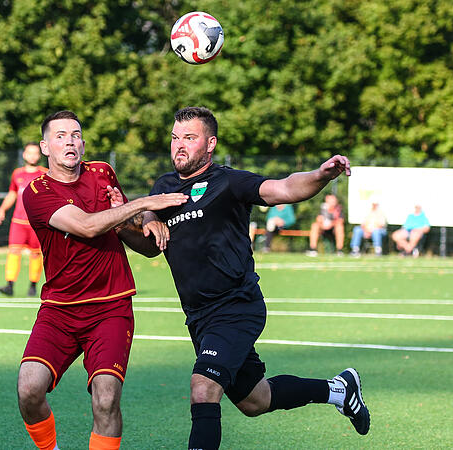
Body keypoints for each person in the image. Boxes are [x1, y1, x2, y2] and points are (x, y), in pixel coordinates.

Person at [144, 107, 370, 449]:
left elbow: (284, 189)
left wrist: (322, 174)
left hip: (236, 306)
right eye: (175, 137)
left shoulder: (229, 181)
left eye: (190, 138)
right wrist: (144, 214)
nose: (179, 145)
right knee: (255, 401)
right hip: (199, 316)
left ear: (210, 144)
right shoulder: (164, 186)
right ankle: (339, 390)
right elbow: (148, 244)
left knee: (203, 387)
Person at [18, 110, 187, 450]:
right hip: (59, 310)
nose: (70, 140)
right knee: (29, 390)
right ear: (46, 147)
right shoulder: (36, 191)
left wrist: (144, 224)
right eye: (61, 135)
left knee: (106, 399)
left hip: (111, 307)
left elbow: (139, 243)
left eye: (76, 135)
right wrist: (142, 204)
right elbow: (87, 225)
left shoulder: (102, 172)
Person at [0, 143, 48, 296]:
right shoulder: (17, 174)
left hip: (36, 223)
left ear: (40, 155)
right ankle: (9, 285)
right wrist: (2, 209)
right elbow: (12, 194)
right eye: (29, 153)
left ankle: (33, 285)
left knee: (36, 253)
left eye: (35, 153)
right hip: (18, 221)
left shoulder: (45, 174)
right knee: (13, 251)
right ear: (24, 155)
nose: (32, 156)